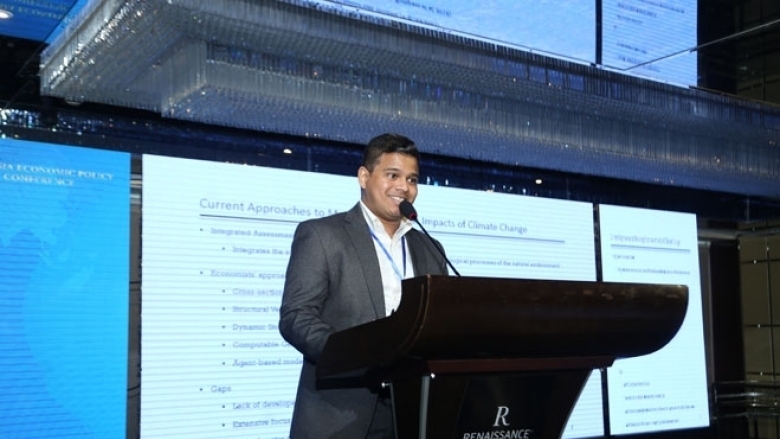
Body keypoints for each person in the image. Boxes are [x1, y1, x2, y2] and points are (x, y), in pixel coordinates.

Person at [279, 133, 449, 439]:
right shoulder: (321, 235)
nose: (404, 187)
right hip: (339, 414)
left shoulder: (430, 248)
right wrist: (359, 357)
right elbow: (296, 317)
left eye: (412, 179)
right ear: (364, 176)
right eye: (392, 175)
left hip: (412, 412)